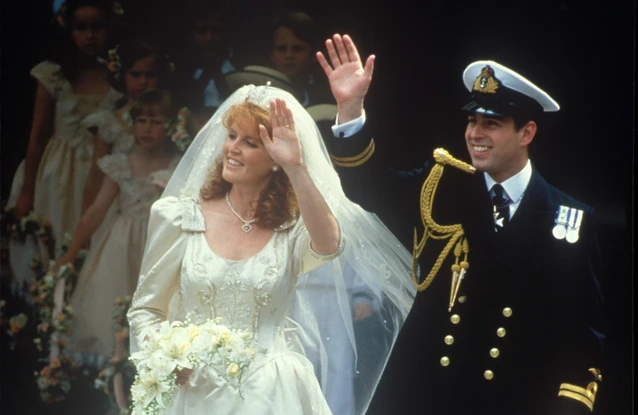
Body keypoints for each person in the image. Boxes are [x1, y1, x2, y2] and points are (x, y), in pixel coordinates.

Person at [317, 34, 605, 414]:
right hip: (427, 397)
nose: (475, 134)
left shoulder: (569, 221)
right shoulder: (440, 187)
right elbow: (368, 185)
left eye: (492, 123)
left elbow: (582, 343)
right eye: (472, 121)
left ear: (528, 133)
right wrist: (350, 108)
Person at [127, 84, 416, 414]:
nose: (233, 149)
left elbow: (330, 245)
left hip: (269, 394)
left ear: (274, 160)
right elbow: (145, 311)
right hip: (192, 394)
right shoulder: (179, 217)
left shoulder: (291, 227)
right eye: (232, 136)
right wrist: (165, 356)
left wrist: (296, 167)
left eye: (250, 143)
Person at [52, 89, 182, 368]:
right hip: (121, 246)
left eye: (156, 122)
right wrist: (70, 253)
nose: (147, 128)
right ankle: (113, 372)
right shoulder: (121, 164)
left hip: (158, 247)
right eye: (142, 121)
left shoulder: (177, 166)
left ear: (170, 126)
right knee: (111, 304)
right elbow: (96, 211)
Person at [7, 0, 123, 290]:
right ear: (69, 30)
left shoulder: (118, 76)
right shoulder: (54, 75)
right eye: (81, 27)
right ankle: (45, 310)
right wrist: (27, 190)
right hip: (57, 174)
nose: (89, 35)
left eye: (97, 27)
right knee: (52, 240)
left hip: (99, 175)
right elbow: (37, 135)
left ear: (109, 29)